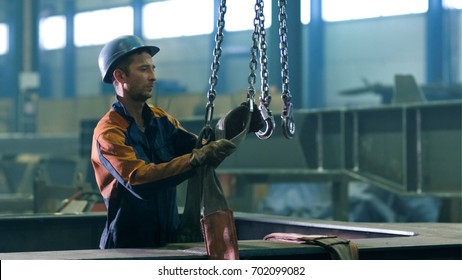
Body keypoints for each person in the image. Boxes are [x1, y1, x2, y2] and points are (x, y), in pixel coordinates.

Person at [91, 35, 236, 249]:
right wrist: (195, 160)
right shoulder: (109, 132)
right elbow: (138, 180)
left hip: (168, 243)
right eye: (143, 69)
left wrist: (239, 124)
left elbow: (203, 149)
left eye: (153, 68)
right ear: (120, 75)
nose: (153, 77)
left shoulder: (162, 120)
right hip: (127, 250)